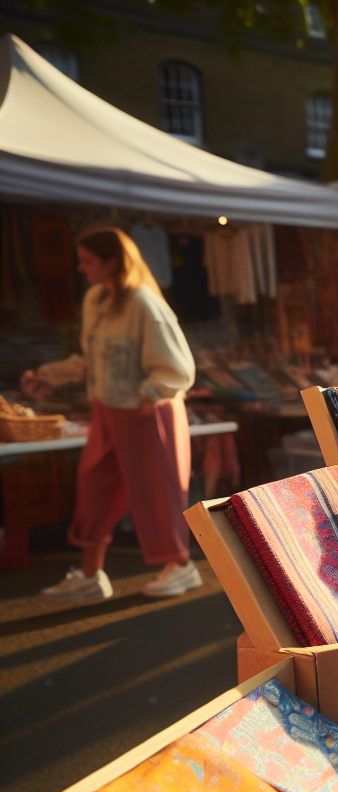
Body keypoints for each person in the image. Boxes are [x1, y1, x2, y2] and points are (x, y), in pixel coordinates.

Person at [25, 227, 200, 601]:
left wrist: (147, 396)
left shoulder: (144, 303)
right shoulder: (95, 300)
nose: (79, 266)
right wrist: (48, 376)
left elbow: (179, 369)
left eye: (87, 260)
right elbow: (92, 359)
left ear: (111, 262)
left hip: (148, 413)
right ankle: (91, 574)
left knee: (157, 490)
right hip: (108, 410)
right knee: (94, 487)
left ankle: (181, 566)